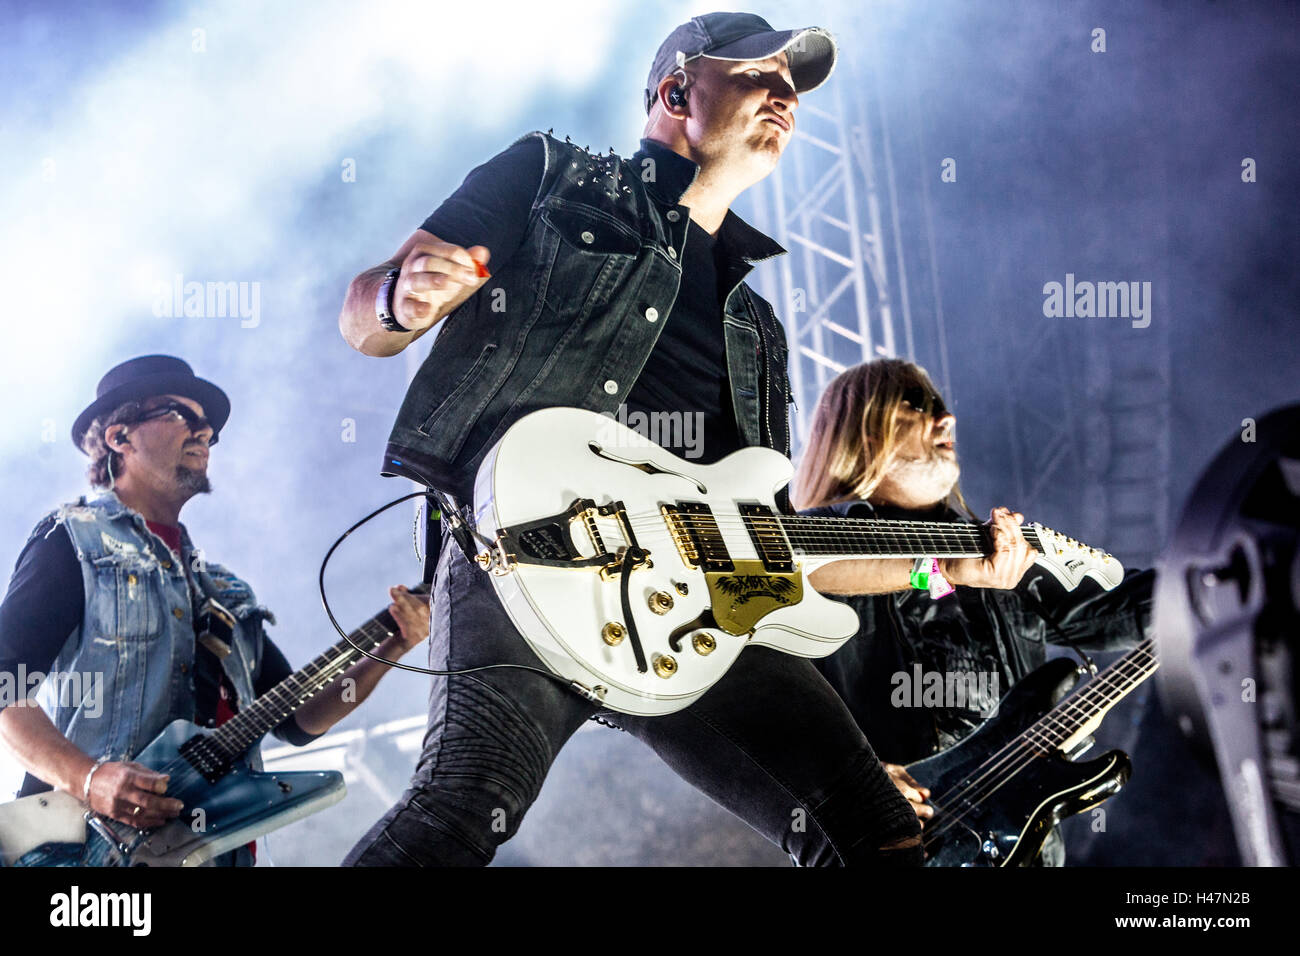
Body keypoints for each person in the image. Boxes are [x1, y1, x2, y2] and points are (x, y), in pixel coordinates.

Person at [336, 12, 1039, 867]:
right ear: (675, 90)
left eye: (793, 84)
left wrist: (946, 563)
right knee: (462, 808)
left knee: (880, 822)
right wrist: (398, 300)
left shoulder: (755, 325)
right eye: (758, 75)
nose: (785, 95)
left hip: (689, 610)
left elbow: (783, 550)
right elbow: (365, 315)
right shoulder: (552, 177)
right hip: (521, 554)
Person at [0, 354, 430, 866]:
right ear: (120, 437)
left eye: (209, 427)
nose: (205, 431)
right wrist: (89, 779)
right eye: (182, 414)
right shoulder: (74, 537)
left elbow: (299, 722)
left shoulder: (226, 593)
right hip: (86, 851)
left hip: (214, 853)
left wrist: (393, 644)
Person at [791, 358, 1154, 864]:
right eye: (915, 405)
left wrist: (1237, 566)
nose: (946, 420)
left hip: (1024, 850)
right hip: (892, 845)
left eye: (941, 406)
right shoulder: (808, 544)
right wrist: (844, 782)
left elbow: (1127, 609)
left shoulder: (999, 552)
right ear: (861, 430)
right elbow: (755, 707)